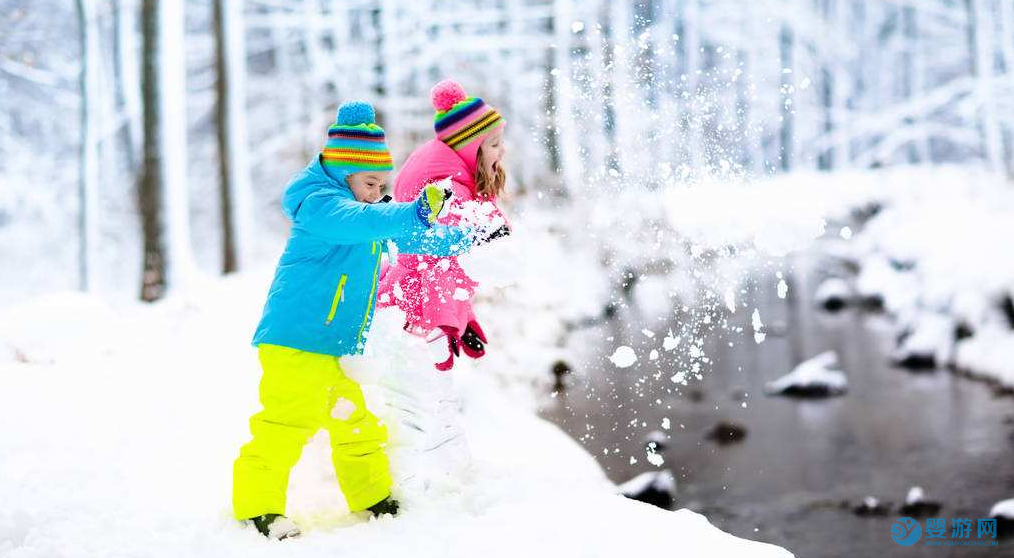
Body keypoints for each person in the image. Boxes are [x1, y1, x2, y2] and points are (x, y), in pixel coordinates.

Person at [233, 100, 471, 540]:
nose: (377, 192)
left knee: (357, 425)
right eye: (370, 182)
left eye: (384, 184)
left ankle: (373, 498)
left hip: (336, 347)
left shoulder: (364, 212)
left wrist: (465, 236)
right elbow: (363, 221)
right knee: (285, 424)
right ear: (344, 173)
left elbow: (408, 233)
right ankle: (256, 507)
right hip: (296, 339)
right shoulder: (322, 206)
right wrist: (413, 209)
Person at [377, 79, 510, 370]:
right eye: (495, 144)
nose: (502, 151)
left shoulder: (458, 186)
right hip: (409, 305)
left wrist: (466, 318)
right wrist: (445, 325)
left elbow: (455, 268)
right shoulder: (448, 192)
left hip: (414, 300)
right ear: (470, 149)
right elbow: (436, 262)